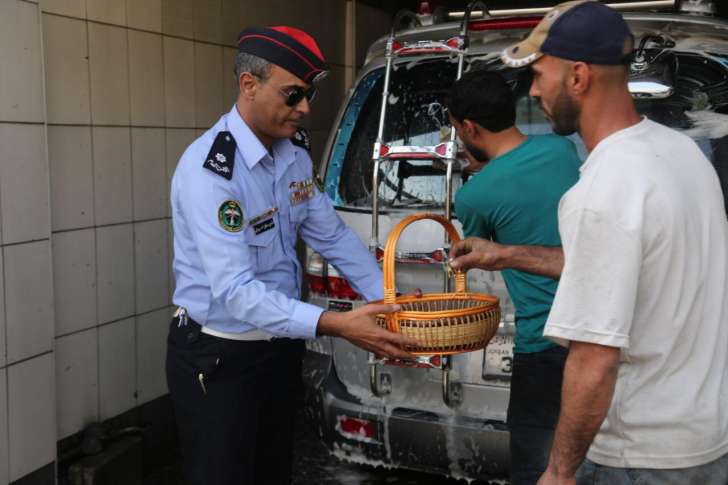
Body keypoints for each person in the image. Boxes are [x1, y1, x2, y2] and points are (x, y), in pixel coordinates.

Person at [450, 2, 728, 484]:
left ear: (577, 76)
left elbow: (594, 359)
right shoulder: (679, 151)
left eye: (539, 75)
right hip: (705, 439)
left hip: (639, 455)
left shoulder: (601, 190)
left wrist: (558, 472)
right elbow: (632, 264)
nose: (533, 92)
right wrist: (507, 254)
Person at [166, 26, 418, 485]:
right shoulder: (211, 172)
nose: (305, 108)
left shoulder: (293, 154)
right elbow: (237, 293)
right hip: (219, 358)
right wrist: (336, 324)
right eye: (293, 94)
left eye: (309, 94)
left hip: (278, 351)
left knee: (273, 471)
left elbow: (332, 236)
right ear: (249, 86)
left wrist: (389, 298)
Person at [447, 70, 581, 485]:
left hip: (541, 344)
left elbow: (476, 244)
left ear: (470, 128)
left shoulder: (473, 195)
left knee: (537, 468)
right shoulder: (561, 149)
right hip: (589, 333)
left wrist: (479, 171)